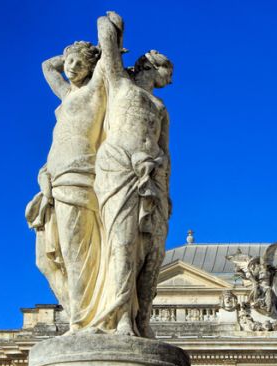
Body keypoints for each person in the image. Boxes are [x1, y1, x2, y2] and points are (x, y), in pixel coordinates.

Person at [90, 11, 173, 337]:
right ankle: (120, 315)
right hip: (119, 167)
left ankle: (141, 319)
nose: (172, 80)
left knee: (151, 254)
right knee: (121, 242)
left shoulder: (160, 108)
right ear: (153, 67)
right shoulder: (120, 86)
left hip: (152, 178)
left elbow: (166, 151)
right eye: (169, 71)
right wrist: (115, 25)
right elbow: (107, 42)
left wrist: (166, 192)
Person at [25, 36, 108, 334]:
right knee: (46, 260)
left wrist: (97, 54)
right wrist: (71, 55)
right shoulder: (67, 96)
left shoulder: (96, 92)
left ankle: (84, 320)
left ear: (92, 67)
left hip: (78, 174)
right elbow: (48, 66)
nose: (71, 68)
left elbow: (108, 54)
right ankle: (78, 313)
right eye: (69, 62)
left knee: (75, 255)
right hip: (53, 179)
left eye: (78, 64)